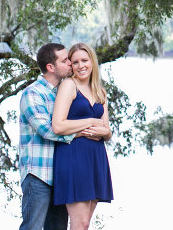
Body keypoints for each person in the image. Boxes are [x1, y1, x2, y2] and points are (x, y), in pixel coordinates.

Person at [18, 43, 105, 230]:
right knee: (32, 226)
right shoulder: (33, 94)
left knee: (58, 227)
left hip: (60, 172)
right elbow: (48, 130)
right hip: (38, 173)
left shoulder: (63, 90)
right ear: (51, 67)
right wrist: (88, 128)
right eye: (65, 60)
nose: (71, 64)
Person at [52, 42, 114, 230]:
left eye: (85, 61)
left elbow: (107, 130)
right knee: (80, 223)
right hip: (73, 157)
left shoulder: (99, 91)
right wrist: (91, 122)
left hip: (96, 159)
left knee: (85, 224)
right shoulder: (69, 86)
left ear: (92, 62)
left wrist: (105, 132)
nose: (81, 66)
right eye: (76, 62)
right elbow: (58, 125)